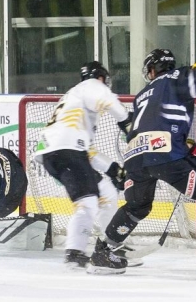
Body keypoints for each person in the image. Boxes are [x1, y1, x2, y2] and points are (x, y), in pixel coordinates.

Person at [104, 47, 196, 281]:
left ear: (151, 70)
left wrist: (192, 151)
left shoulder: (141, 95)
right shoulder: (176, 78)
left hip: (135, 157)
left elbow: (155, 127)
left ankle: (103, 252)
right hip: (166, 154)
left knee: (137, 206)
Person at [34, 61, 131, 275]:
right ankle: (75, 253)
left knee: (106, 191)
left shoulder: (75, 101)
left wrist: (112, 168)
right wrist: (128, 123)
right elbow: (109, 101)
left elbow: (85, 149)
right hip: (64, 152)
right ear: (101, 78)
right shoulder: (91, 86)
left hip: (60, 153)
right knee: (87, 203)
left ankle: (112, 244)